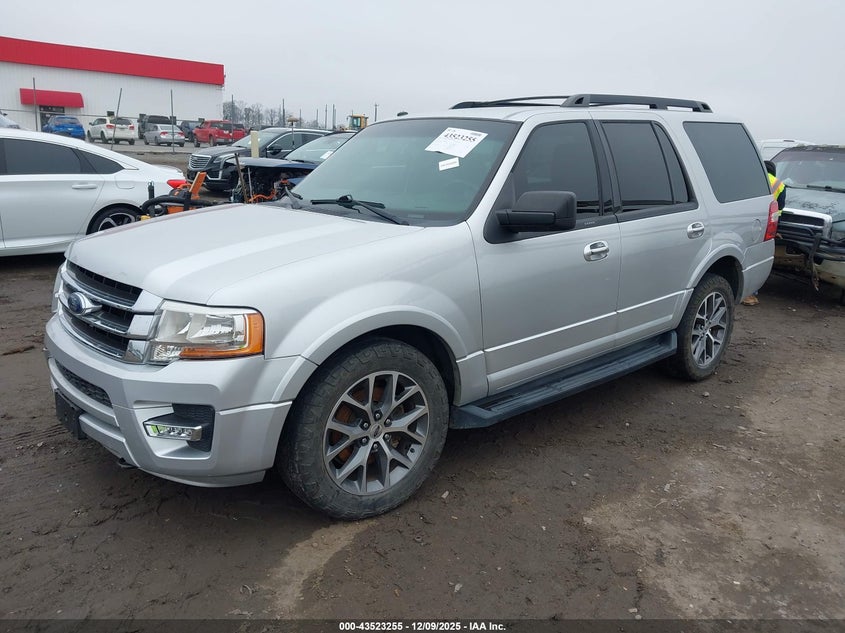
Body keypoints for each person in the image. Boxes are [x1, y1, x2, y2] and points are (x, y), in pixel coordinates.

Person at [741, 161, 786, 306]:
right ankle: (749, 295)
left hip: (743, 222)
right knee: (756, 257)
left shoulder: (750, 178)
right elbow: (778, 211)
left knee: (743, 256)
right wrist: (775, 231)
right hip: (763, 224)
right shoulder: (779, 185)